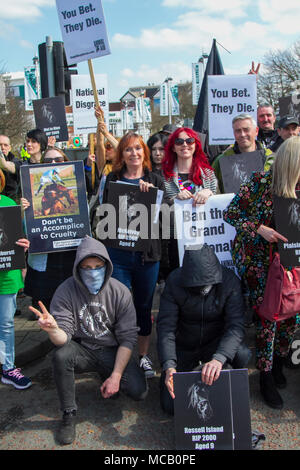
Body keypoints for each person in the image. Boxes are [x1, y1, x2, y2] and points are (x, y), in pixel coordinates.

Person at [29, 236, 147, 445]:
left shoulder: (120, 291)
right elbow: (63, 338)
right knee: (61, 355)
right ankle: (68, 414)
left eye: (97, 266)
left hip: (112, 350)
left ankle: (107, 374)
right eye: (86, 267)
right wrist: (53, 329)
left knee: (139, 391)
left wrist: (116, 377)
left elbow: (128, 339)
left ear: (106, 266)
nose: (92, 271)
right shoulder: (65, 290)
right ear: (77, 268)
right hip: (82, 349)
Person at [223, 136, 300, 410]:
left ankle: (279, 362)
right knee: (269, 319)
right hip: (259, 262)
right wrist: (259, 228)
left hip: (291, 262)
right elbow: (231, 214)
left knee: (292, 316)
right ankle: (265, 377)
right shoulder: (259, 182)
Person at [92, 131, 165, 378]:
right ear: (121, 154)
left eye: (137, 148)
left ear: (144, 152)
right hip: (118, 255)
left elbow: (165, 219)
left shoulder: (156, 178)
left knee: (144, 307)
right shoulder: (111, 179)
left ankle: (143, 357)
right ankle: (117, 357)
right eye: (128, 149)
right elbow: (102, 212)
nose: (134, 153)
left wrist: (153, 195)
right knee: (118, 308)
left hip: (146, 257)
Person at [156, 244, 251, 416]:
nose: (203, 289)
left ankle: (227, 371)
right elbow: (165, 328)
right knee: (170, 406)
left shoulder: (229, 281)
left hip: (214, 343)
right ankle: (189, 372)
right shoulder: (174, 281)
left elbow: (235, 326)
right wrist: (169, 365)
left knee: (242, 354)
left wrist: (219, 358)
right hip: (184, 344)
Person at [21, 146, 76, 316]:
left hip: (68, 256)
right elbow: (27, 228)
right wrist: (24, 212)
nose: (52, 163)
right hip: (44, 258)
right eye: (48, 161)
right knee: (47, 309)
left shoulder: (70, 188)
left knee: (70, 307)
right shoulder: (35, 191)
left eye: (58, 160)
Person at [161, 127, 217, 273]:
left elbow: (219, 205)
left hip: (204, 237)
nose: (185, 145)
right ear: (173, 147)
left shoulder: (209, 174)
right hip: (175, 240)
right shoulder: (163, 176)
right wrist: (174, 199)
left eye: (189, 140)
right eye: (179, 141)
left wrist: (209, 192)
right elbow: (158, 207)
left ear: (195, 144)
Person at [0, 193, 32, 389]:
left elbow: (16, 237)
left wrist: (23, 246)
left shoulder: (8, 203)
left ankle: (8, 368)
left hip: (6, 276)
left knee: (6, 324)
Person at [212, 114, 274, 194]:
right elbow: (207, 186)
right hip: (231, 205)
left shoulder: (271, 158)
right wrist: (191, 188)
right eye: (238, 131)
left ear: (256, 131)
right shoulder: (221, 161)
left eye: (246, 130)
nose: (242, 134)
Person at [0, 135, 22, 201]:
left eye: (5, 145)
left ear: (10, 148)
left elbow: (9, 167)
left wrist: (4, 164)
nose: (2, 147)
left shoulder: (17, 162)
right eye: (0, 145)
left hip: (12, 203)